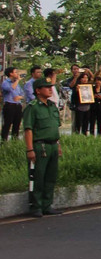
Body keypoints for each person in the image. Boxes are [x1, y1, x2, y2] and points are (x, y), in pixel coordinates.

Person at [23, 77, 63, 217]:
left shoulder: (52, 106)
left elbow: (54, 128)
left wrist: (58, 145)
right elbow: (28, 130)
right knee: (38, 177)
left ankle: (47, 205)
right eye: (47, 87)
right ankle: (36, 206)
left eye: (51, 87)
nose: (50, 89)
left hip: (52, 145)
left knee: (51, 177)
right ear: (38, 90)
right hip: (40, 147)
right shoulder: (33, 107)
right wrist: (30, 149)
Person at [2, 67, 25, 142]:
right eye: (15, 72)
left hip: (17, 105)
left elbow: (22, 94)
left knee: (17, 124)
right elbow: (10, 89)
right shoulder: (5, 82)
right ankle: (4, 141)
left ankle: (15, 141)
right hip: (9, 105)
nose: (17, 74)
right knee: (7, 124)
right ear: (11, 73)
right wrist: (18, 80)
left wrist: (20, 97)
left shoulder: (17, 83)